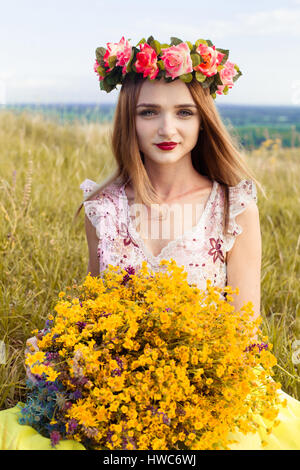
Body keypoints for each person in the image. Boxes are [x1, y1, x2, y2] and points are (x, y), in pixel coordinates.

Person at [0, 36, 299, 450]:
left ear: (202, 121)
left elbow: (244, 331)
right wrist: (59, 348)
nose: (167, 129)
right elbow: (95, 310)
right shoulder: (102, 208)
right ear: (129, 120)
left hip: (210, 393)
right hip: (116, 394)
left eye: (183, 112)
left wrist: (190, 393)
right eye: (148, 112)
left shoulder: (233, 206)